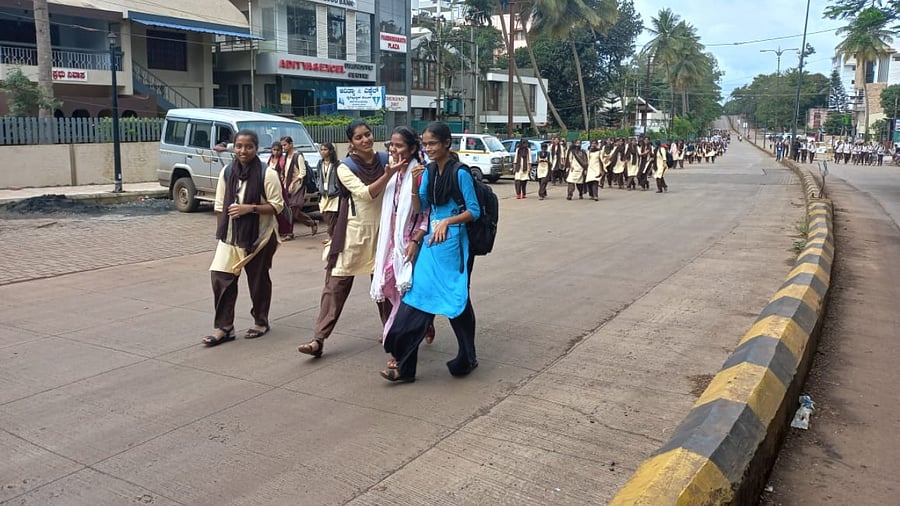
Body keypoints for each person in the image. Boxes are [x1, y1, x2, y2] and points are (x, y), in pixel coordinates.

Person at [381, 121, 481, 382]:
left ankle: (467, 357)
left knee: (456, 302)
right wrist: (415, 184)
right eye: (425, 144)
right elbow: (419, 207)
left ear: (447, 143)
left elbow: (474, 211)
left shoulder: (460, 173)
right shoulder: (428, 172)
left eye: (432, 143)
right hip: (432, 246)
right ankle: (404, 365)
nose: (428, 148)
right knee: (416, 299)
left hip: (454, 247)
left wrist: (448, 221)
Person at [298, 120, 398, 358]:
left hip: (384, 233)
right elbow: (366, 193)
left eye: (368, 134)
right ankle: (318, 339)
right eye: (359, 137)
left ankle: (393, 331)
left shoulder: (386, 159)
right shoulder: (345, 167)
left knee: (385, 288)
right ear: (351, 142)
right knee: (335, 286)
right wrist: (388, 176)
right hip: (354, 233)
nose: (365, 140)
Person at [202, 130, 284, 346]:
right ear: (234, 147)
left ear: (256, 148)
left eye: (248, 146)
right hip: (230, 236)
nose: (243, 150)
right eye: (239, 146)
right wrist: (222, 231)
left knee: (258, 280)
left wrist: (251, 208)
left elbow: (277, 206)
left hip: (260, 236)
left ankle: (261, 321)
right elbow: (220, 205)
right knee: (220, 277)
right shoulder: (228, 172)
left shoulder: (267, 173)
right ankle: (224, 327)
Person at [371, 127, 435, 369]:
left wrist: (415, 241)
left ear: (411, 148)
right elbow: (373, 195)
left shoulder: (420, 172)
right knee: (391, 290)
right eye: (391, 146)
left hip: (410, 244)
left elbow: (424, 213)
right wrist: (390, 173)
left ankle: (400, 352)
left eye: (398, 146)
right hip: (389, 243)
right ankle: (421, 326)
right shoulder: (390, 170)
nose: (393, 150)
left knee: (404, 299)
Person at [281, 136, 317, 238]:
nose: (284, 147)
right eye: (282, 145)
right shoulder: (286, 156)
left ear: (291, 144)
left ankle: (311, 223)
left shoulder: (298, 156)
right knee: (289, 210)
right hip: (287, 186)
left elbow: (302, 173)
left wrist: (294, 181)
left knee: (294, 210)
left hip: (298, 186)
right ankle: (289, 233)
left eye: (285, 145)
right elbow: (285, 171)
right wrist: (284, 178)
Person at [266, 142, 293, 240]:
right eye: (274, 150)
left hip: (280, 185)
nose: (276, 152)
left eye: (278, 150)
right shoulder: (270, 159)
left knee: (284, 207)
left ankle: (288, 231)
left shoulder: (282, 160)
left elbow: (285, 173)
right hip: (271, 185)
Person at [316, 142, 340, 240]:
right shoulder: (320, 163)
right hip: (324, 193)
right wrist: (319, 185)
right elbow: (318, 175)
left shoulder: (336, 164)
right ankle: (333, 234)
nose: (323, 152)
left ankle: (330, 236)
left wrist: (336, 187)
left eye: (325, 150)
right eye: (321, 150)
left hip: (334, 194)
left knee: (332, 216)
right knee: (325, 214)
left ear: (330, 151)